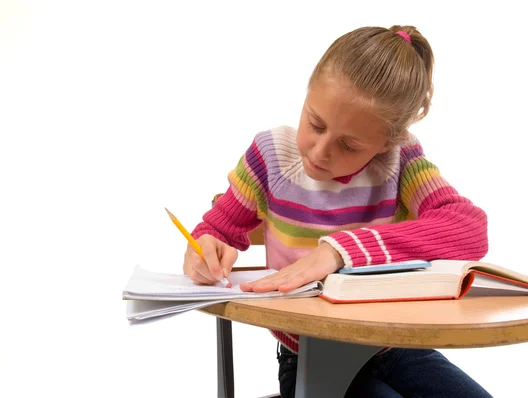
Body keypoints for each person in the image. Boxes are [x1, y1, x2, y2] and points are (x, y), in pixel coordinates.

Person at [183, 25, 492, 398]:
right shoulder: (272, 157)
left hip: (394, 347)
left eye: (348, 145)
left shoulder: (400, 162)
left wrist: (338, 250)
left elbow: (467, 227)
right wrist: (205, 248)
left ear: (385, 143)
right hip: (310, 355)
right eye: (315, 123)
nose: (320, 151)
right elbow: (218, 228)